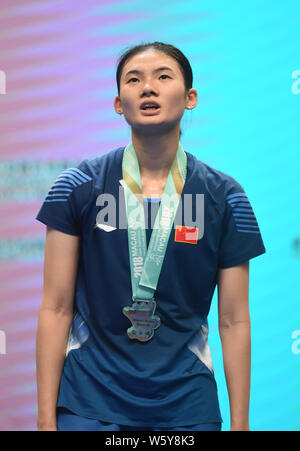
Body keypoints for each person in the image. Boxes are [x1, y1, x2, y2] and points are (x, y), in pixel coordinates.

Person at [35, 41, 266, 431]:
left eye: (163, 76)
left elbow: (233, 320)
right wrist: (45, 421)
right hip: (89, 398)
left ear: (190, 97)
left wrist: (240, 425)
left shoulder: (226, 197)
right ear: (117, 103)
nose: (147, 88)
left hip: (186, 404)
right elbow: (55, 308)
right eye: (134, 79)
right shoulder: (76, 186)